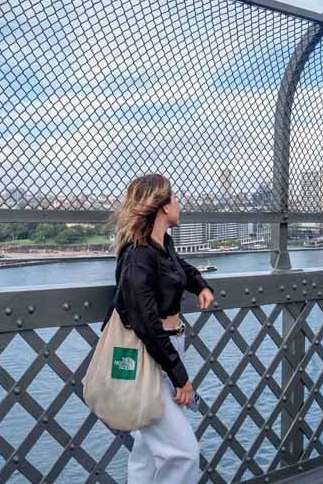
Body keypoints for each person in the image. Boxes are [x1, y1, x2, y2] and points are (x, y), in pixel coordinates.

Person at [99, 173, 215, 484]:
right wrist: (180, 376)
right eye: (174, 198)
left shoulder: (162, 244)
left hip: (166, 348)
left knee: (146, 453)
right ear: (162, 206)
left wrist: (200, 285)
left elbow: (181, 269)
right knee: (184, 453)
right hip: (149, 354)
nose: (179, 203)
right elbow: (146, 323)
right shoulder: (138, 255)